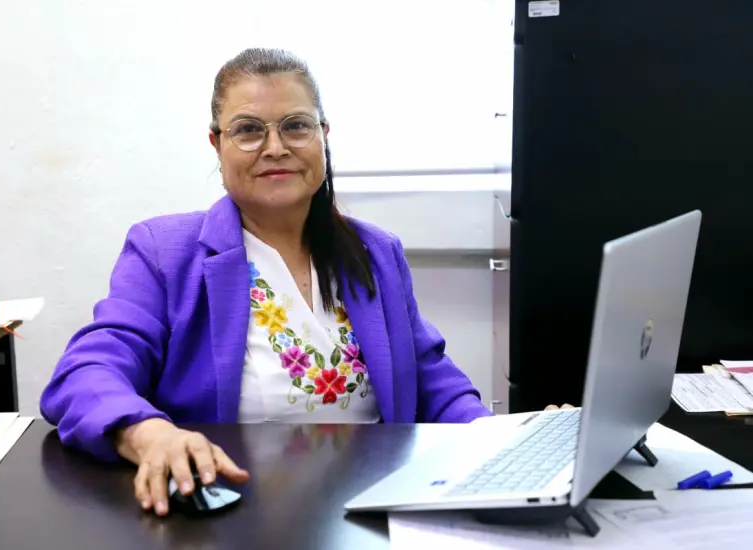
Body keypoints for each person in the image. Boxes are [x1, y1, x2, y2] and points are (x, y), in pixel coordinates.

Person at [40, 47, 502, 517]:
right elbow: (85, 374)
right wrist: (151, 434)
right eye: (248, 131)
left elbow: (432, 382)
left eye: (296, 125)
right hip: (231, 515)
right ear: (216, 144)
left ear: (323, 136)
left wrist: (502, 442)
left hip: (375, 507)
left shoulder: (376, 252)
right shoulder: (164, 251)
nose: (276, 147)